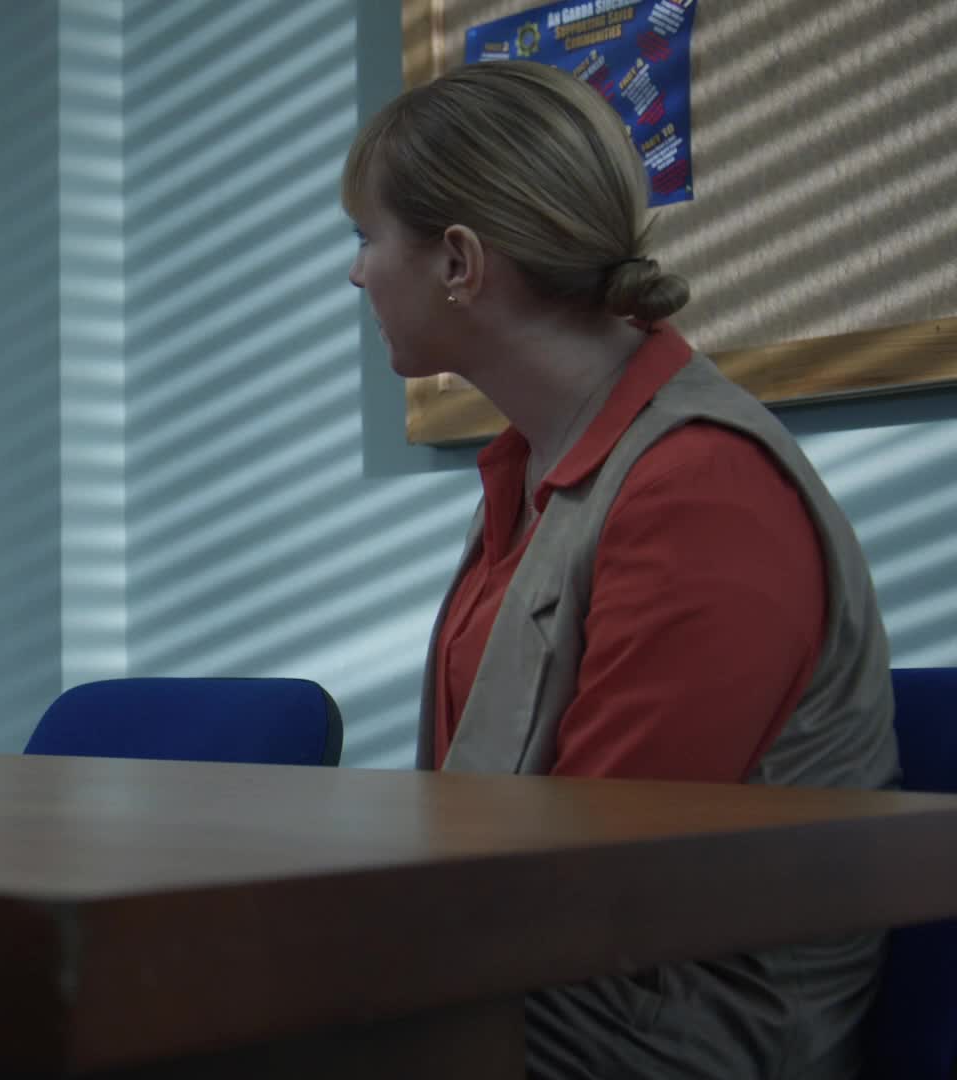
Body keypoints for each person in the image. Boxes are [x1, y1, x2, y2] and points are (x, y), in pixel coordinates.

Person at [342, 61, 898, 1078]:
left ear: (459, 261)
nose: (357, 274)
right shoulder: (536, 469)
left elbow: (598, 874)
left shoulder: (699, 490)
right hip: (545, 985)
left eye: (366, 238)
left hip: (662, 1033)